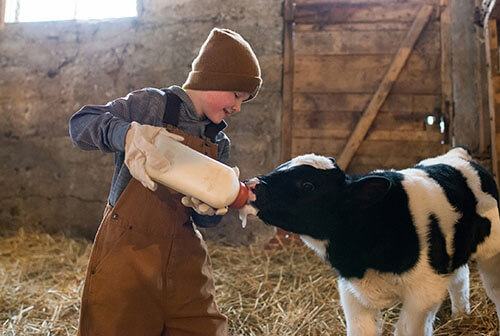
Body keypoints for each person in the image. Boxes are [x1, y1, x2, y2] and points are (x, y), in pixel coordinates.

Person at [68, 27, 262, 336]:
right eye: (237, 95)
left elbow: (204, 221)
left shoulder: (218, 141)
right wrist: (127, 134)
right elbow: (80, 125)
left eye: (244, 101)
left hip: (184, 257)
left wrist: (209, 210)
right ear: (213, 79)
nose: (237, 107)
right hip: (128, 252)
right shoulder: (152, 106)